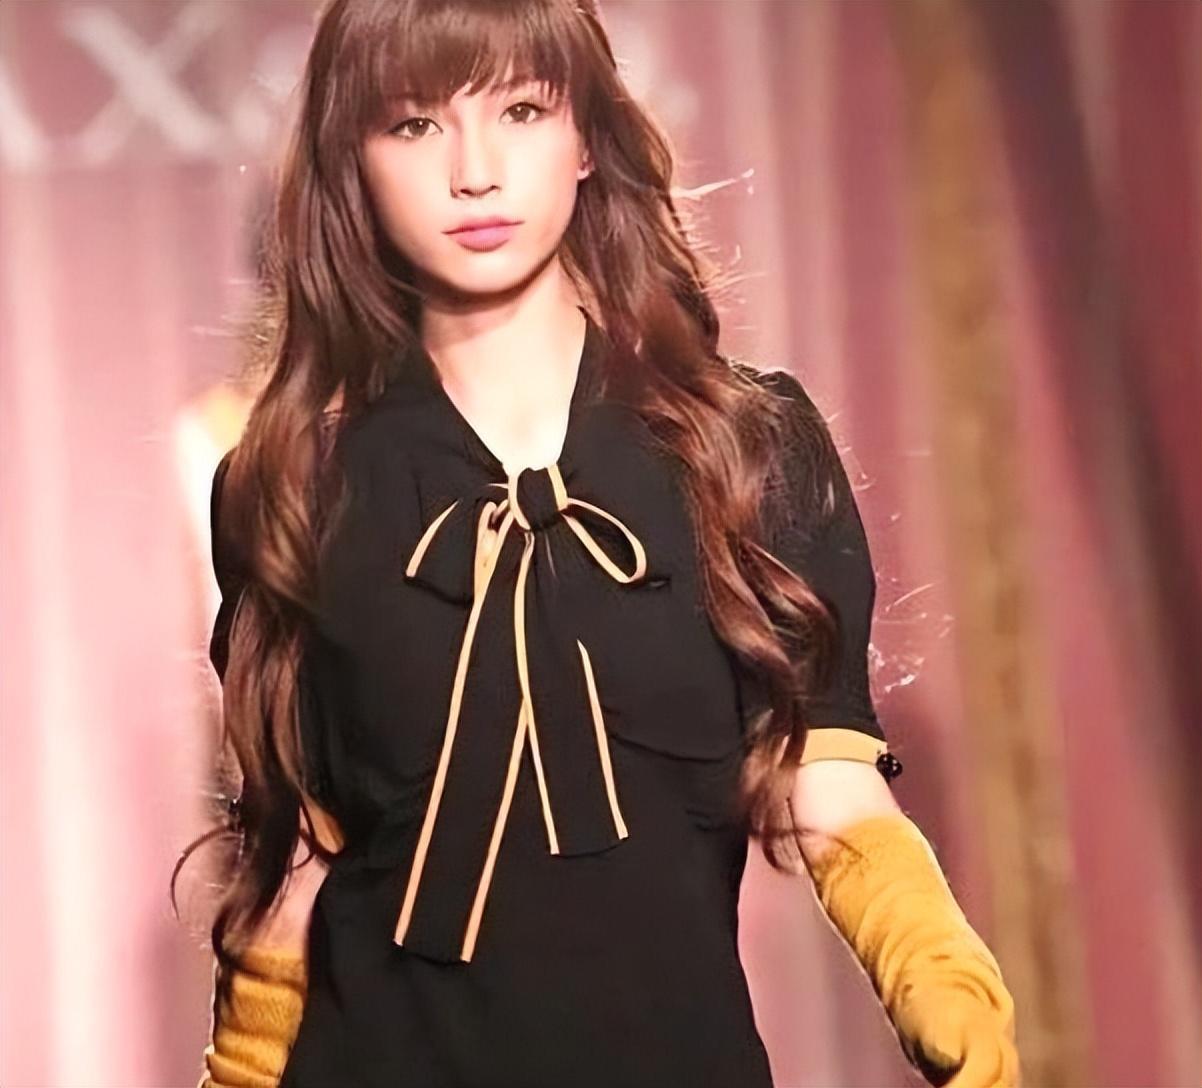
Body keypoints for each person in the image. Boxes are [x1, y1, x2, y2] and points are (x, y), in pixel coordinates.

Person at [180, 1, 1020, 1085]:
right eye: (416, 124)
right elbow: (295, 855)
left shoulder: (743, 449)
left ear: (586, 138)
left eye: (521, 111)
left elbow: (828, 782)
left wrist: (941, 980)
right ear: (353, 163)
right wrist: (240, 1069)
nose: (475, 172)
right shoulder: (292, 487)